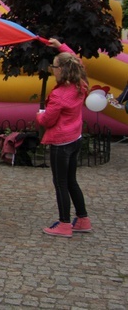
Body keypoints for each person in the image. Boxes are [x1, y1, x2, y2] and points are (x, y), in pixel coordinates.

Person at [37, 38, 92, 237]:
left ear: (63, 70)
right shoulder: (81, 84)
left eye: (55, 66)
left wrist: (40, 115)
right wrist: (61, 46)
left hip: (61, 143)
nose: (53, 68)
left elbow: (48, 121)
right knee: (71, 181)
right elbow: (77, 61)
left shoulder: (60, 94)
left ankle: (64, 224)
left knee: (60, 183)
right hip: (75, 139)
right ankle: (83, 219)